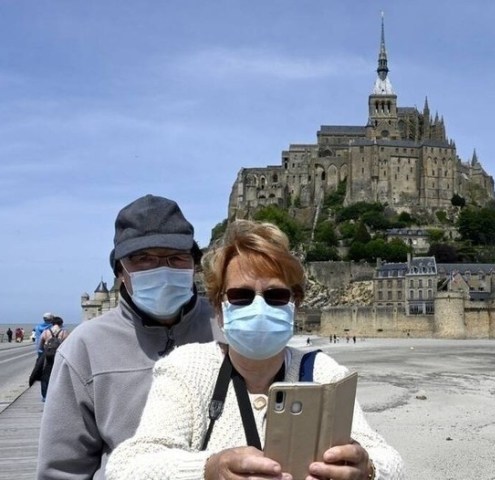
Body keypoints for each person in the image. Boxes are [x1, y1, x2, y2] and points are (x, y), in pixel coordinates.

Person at [106, 220, 404, 480]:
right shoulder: (187, 370)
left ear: (294, 304)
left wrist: (367, 469)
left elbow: (391, 461)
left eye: (275, 295)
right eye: (241, 295)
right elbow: (128, 466)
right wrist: (209, 470)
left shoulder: (325, 373)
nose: (258, 306)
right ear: (218, 308)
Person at [36, 194, 216, 479]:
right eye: (143, 259)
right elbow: (62, 469)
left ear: (195, 264)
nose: (162, 269)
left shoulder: (226, 328)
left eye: (176, 257)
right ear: (120, 270)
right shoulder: (84, 347)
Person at [38, 316, 68, 401]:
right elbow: (67, 345)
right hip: (59, 356)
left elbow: (40, 345)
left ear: (52, 323)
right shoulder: (63, 332)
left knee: (44, 375)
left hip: (47, 356)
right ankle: (57, 394)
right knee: (59, 374)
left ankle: (45, 396)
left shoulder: (46, 332)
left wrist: (43, 350)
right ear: (61, 323)